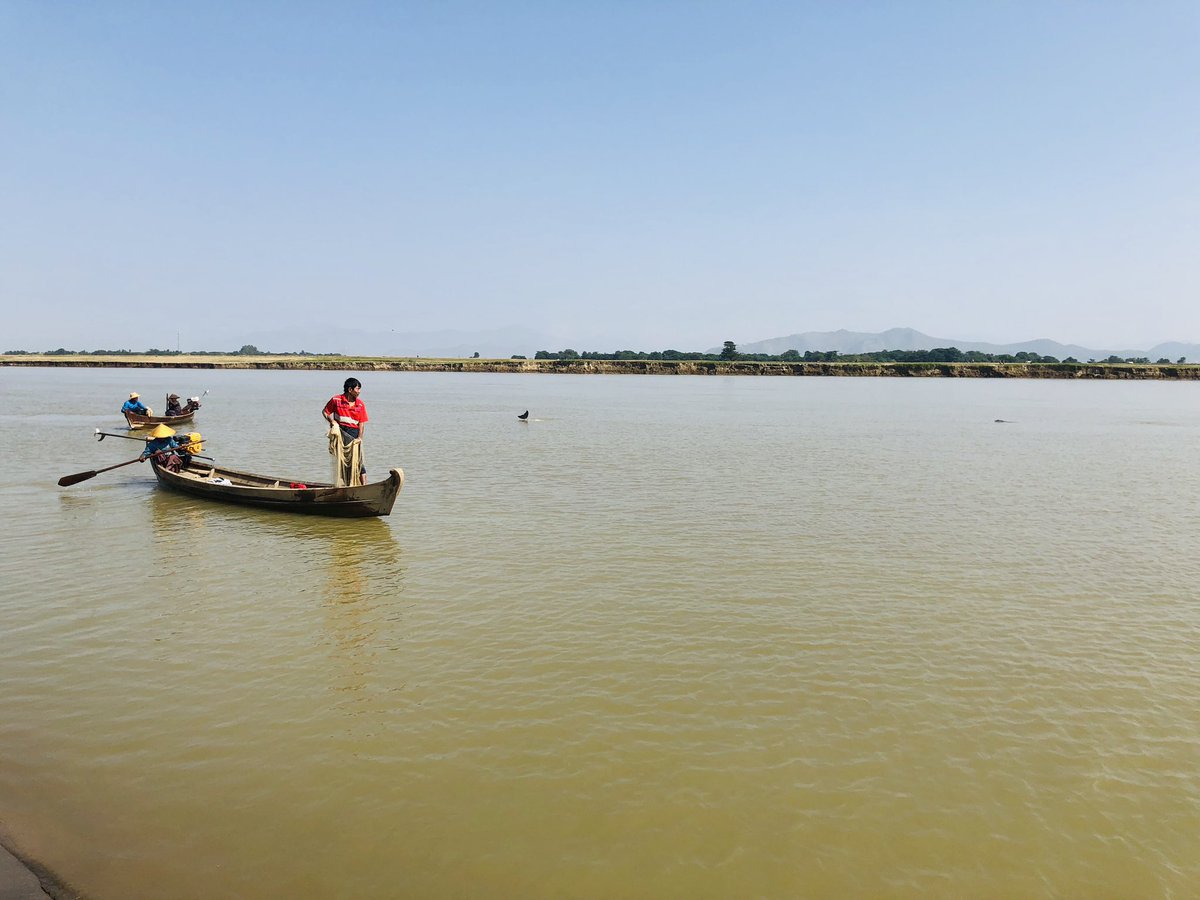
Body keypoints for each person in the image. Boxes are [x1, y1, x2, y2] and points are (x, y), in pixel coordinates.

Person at [322, 377, 368, 487]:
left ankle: (364, 486)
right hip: (340, 433)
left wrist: (360, 438)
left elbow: (361, 424)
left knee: (358, 462)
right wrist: (332, 421)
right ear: (350, 389)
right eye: (357, 389)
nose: (359, 391)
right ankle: (346, 486)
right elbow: (325, 412)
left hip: (354, 434)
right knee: (342, 462)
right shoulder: (336, 400)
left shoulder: (360, 404)